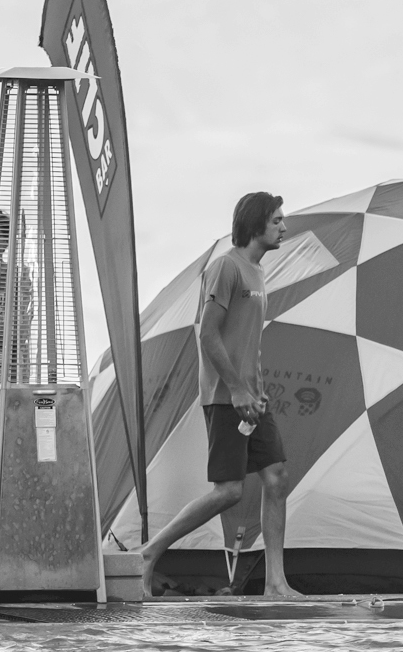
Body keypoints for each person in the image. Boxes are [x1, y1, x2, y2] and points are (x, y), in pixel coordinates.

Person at [140, 192, 299, 598]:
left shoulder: (257, 271)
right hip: (227, 396)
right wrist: (238, 388)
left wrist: (255, 389)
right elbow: (208, 334)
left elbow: (245, 339)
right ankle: (149, 552)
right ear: (256, 223)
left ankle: (276, 583)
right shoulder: (226, 267)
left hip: (251, 396)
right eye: (277, 220)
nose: (284, 227)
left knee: (276, 477)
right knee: (229, 491)